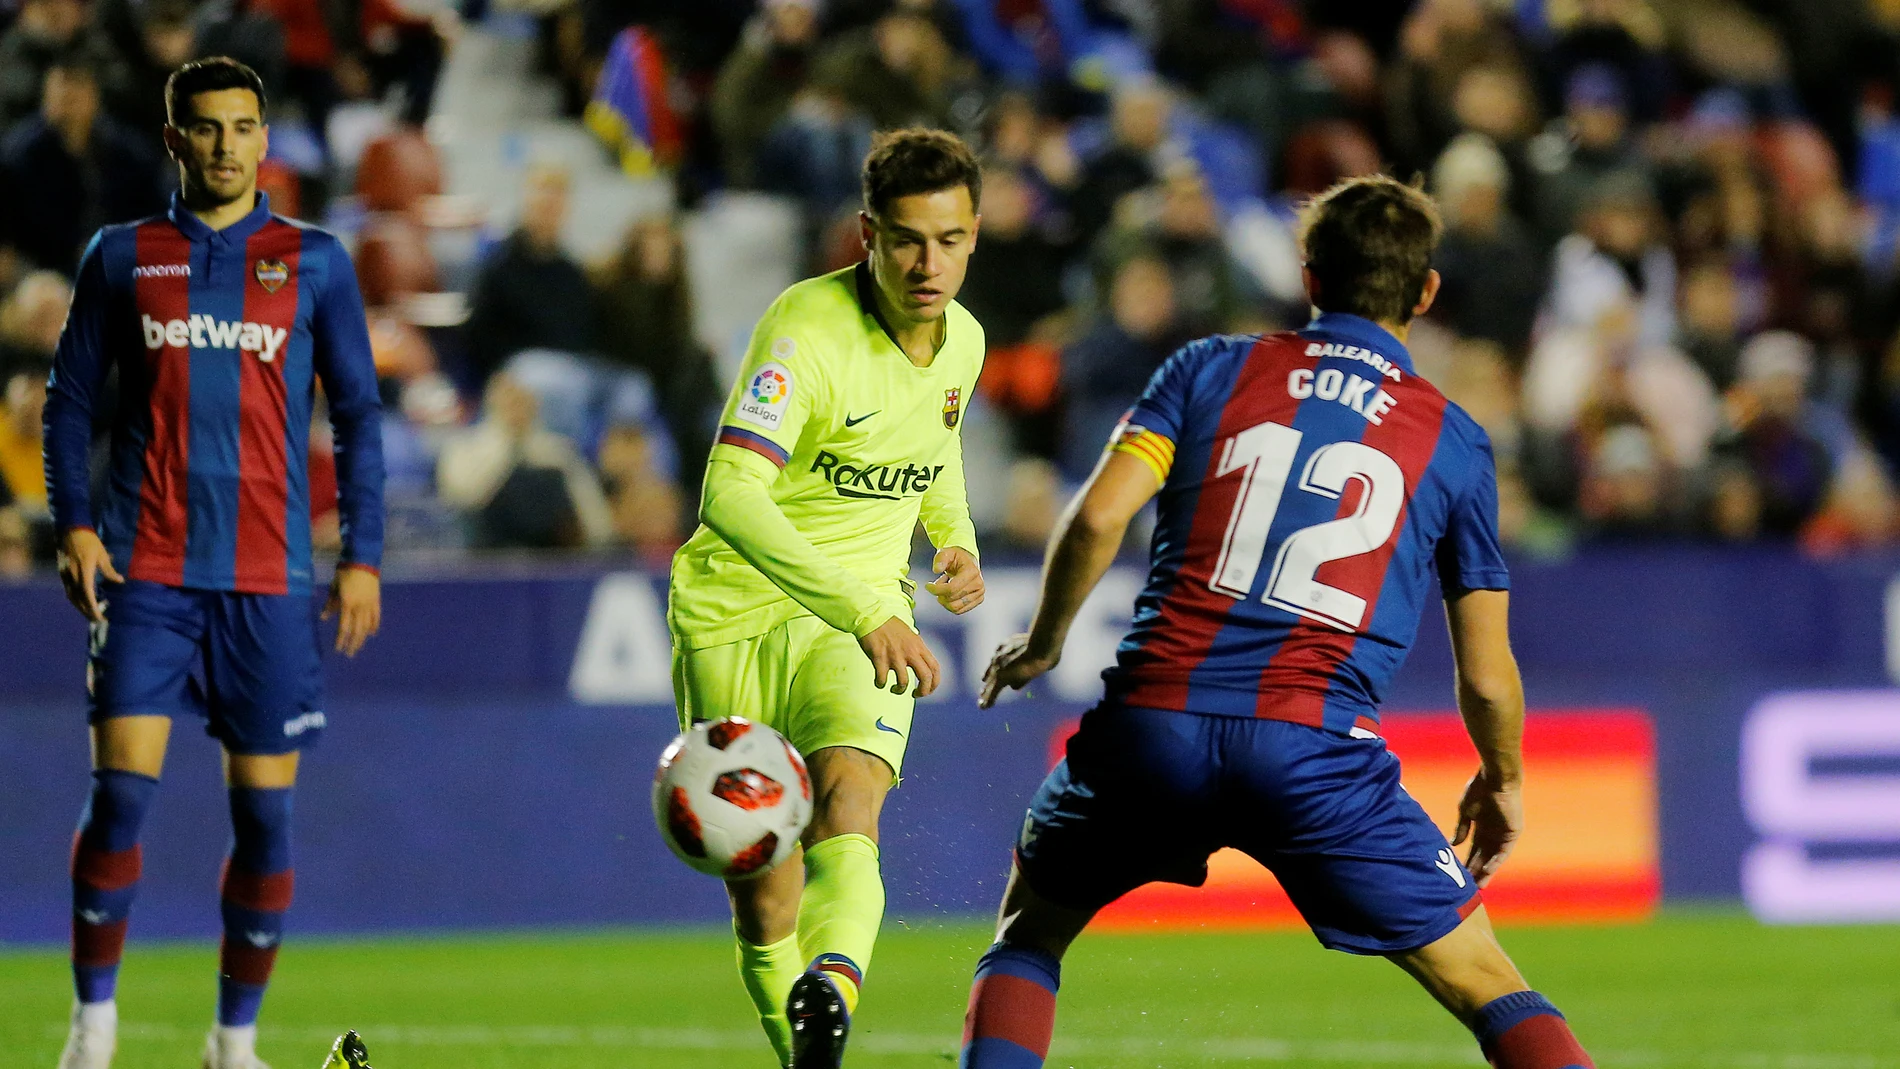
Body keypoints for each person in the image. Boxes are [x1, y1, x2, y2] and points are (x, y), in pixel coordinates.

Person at [961, 175, 1596, 1069]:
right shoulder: (1452, 439)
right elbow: (1486, 672)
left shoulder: (1208, 368)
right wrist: (1504, 778)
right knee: (1487, 981)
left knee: (1028, 936)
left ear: (1309, 275)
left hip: (1152, 725)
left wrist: (1045, 642)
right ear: (1425, 292)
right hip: (1315, 753)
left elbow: (1100, 518)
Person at [41, 57, 384, 1069]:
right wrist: (74, 524)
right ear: (175, 138)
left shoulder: (314, 261)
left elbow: (360, 414)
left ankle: (233, 1045)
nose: (227, 144)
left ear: (264, 140)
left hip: (270, 584)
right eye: (207, 127)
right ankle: (92, 1026)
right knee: (120, 799)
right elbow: (67, 399)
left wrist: (362, 554)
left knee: (266, 821)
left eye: (244, 126)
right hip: (147, 572)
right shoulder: (122, 255)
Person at [667, 127, 988, 1069]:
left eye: (951, 240)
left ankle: (832, 981)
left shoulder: (963, 341)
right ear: (867, 234)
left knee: (851, 801)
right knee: (764, 887)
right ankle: (809, 1055)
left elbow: (935, 442)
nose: (930, 264)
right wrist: (861, 605)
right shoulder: (803, 332)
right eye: (907, 240)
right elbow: (728, 493)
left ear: (976, 236)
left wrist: (954, 537)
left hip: (863, 617)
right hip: (735, 613)